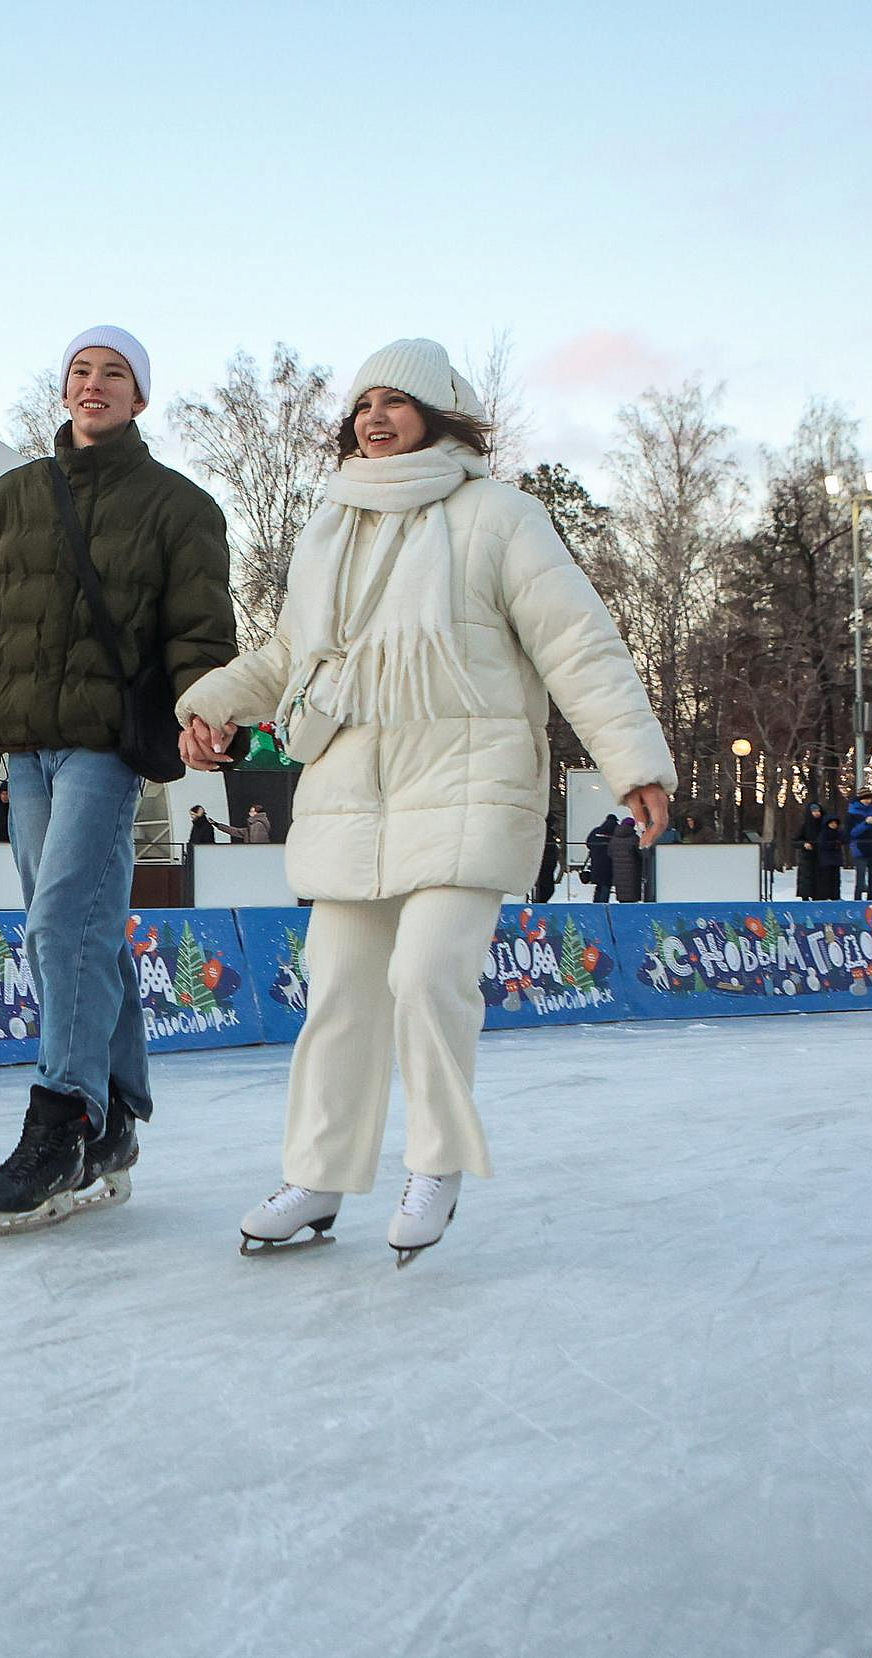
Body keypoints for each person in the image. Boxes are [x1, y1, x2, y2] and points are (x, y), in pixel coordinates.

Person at [175, 337, 673, 1264]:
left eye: (395, 399)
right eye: (362, 402)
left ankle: (434, 1161)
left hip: (468, 777)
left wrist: (632, 761)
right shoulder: (328, 527)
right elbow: (292, 658)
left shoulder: (498, 516)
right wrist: (207, 700)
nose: (373, 415)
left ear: (441, 414)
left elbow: (577, 640)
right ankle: (318, 1177)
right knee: (339, 991)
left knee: (426, 971)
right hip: (352, 789)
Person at [0, 324, 235, 1237]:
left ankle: (62, 1120)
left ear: (139, 399)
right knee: (83, 930)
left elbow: (199, 635)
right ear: (63, 392)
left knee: (60, 924)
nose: (94, 385)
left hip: (104, 747)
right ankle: (119, 1115)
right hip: (25, 751)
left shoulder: (178, 504)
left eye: (114, 374)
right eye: (81, 372)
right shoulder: (10, 500)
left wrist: (207, 711)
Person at [847, 792, 872, 900]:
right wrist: (866, 823)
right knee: (860, 878)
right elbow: (852, 833)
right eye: (865, 799)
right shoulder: (852, 813)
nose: (868, 801)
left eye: (869, 799)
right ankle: (857, 901)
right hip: (859, 848)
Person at [794, 803, 830, 899]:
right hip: (807, 858)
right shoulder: (805, 825)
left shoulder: (825, 825)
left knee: (820, 884)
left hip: (821, 857)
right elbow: (794, 840)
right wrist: (804, 844)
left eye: (818, 811)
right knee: (807, 883)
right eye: (814, 811)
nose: (816, 813)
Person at [609, 815, 643, 902]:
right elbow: (641, 853)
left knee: (622, 892)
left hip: (618, 870)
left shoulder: (614, 839)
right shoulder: (634, 838)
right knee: (631, 892)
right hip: (632, 870)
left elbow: (610, 853)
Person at [585, 812, 618, 903]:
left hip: (596, 862)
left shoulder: (596, 831)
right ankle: (603, 904)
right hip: (610, 862)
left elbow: (588, 843)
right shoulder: (617, 831)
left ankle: (596, 904)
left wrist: (596, 850)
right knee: (606, 884)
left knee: (599, 884)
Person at [531, 814, 561, 904]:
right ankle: (539, 903)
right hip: (545, 863)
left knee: (546, 888)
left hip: (548, 863)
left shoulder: (548, 833)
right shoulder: (545, 833)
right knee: (546, 888)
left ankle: (539, 902)